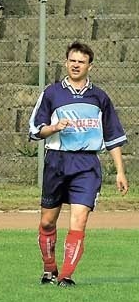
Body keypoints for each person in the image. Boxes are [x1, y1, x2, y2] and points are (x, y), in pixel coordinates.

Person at [28, 41, 129, 287]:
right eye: (72, 60)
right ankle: (49, 269)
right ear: (66, 63)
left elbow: (112, 136)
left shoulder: (100, 97)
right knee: (47, 221)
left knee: (79, 220)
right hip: (57, 162)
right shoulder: (52, 93)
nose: (76, 65)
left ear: (89, 66)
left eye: (81, 62)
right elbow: (34, 130)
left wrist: (120, 172)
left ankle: (66, 276)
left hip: (86, 165)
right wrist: (53, 128)